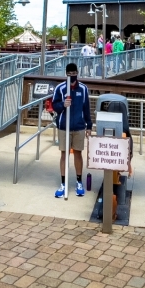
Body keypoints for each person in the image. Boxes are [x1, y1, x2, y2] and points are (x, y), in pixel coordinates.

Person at [51, 63, 92, 198]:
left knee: (78, 154)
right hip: (64, 126)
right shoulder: (61, 88)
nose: (72, 75)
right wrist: (63, 105)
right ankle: (63, 183)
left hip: (79, 126)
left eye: (75, 72)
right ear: (66, 74)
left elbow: (86, 108)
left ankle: (79, 182)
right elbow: (54, 106)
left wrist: (89, 126)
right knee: (64, 154)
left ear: (78, 72)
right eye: (70, 73)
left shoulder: (84, 89)